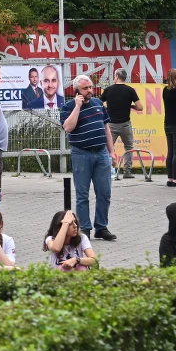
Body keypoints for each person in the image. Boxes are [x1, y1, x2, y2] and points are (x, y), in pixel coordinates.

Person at [61, 75, 117, 241]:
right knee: (82, 194)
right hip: (81, 154)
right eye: (85, 89)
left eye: (91, 88)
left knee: (104, 192)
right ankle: (84, 228)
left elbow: (106, 129)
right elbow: (68, 127)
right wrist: (77, 106)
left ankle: (101, 227)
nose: (90, 91)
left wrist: (111, 152)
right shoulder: (68, 107)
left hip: (101, 153)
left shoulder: (99, 104)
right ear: (77, 90)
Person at [102, 69, 142, 179]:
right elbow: (140, 107)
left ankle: (109, 171)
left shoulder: (108, 90)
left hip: (111, 125)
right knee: (129, 147)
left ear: (117, 76)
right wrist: (130, 106)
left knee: (108, 148)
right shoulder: (130, 90)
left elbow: (99, 104)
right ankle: (127, 171)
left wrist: (108, 107)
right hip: (125, 124)